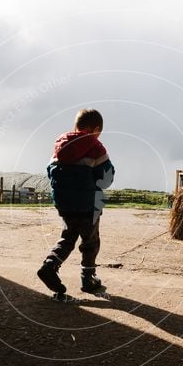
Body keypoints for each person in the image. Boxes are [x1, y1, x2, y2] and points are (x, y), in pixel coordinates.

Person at [38, 108, 115, 295]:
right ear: (96, 129)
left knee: (67, 237)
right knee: (90, 241)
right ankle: (88, 279)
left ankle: (50, 265)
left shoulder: (60, 145)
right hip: (89, 206)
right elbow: (106, 179)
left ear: (77, 126)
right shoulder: (96, 147)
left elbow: (50, 172)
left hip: (65, 205)